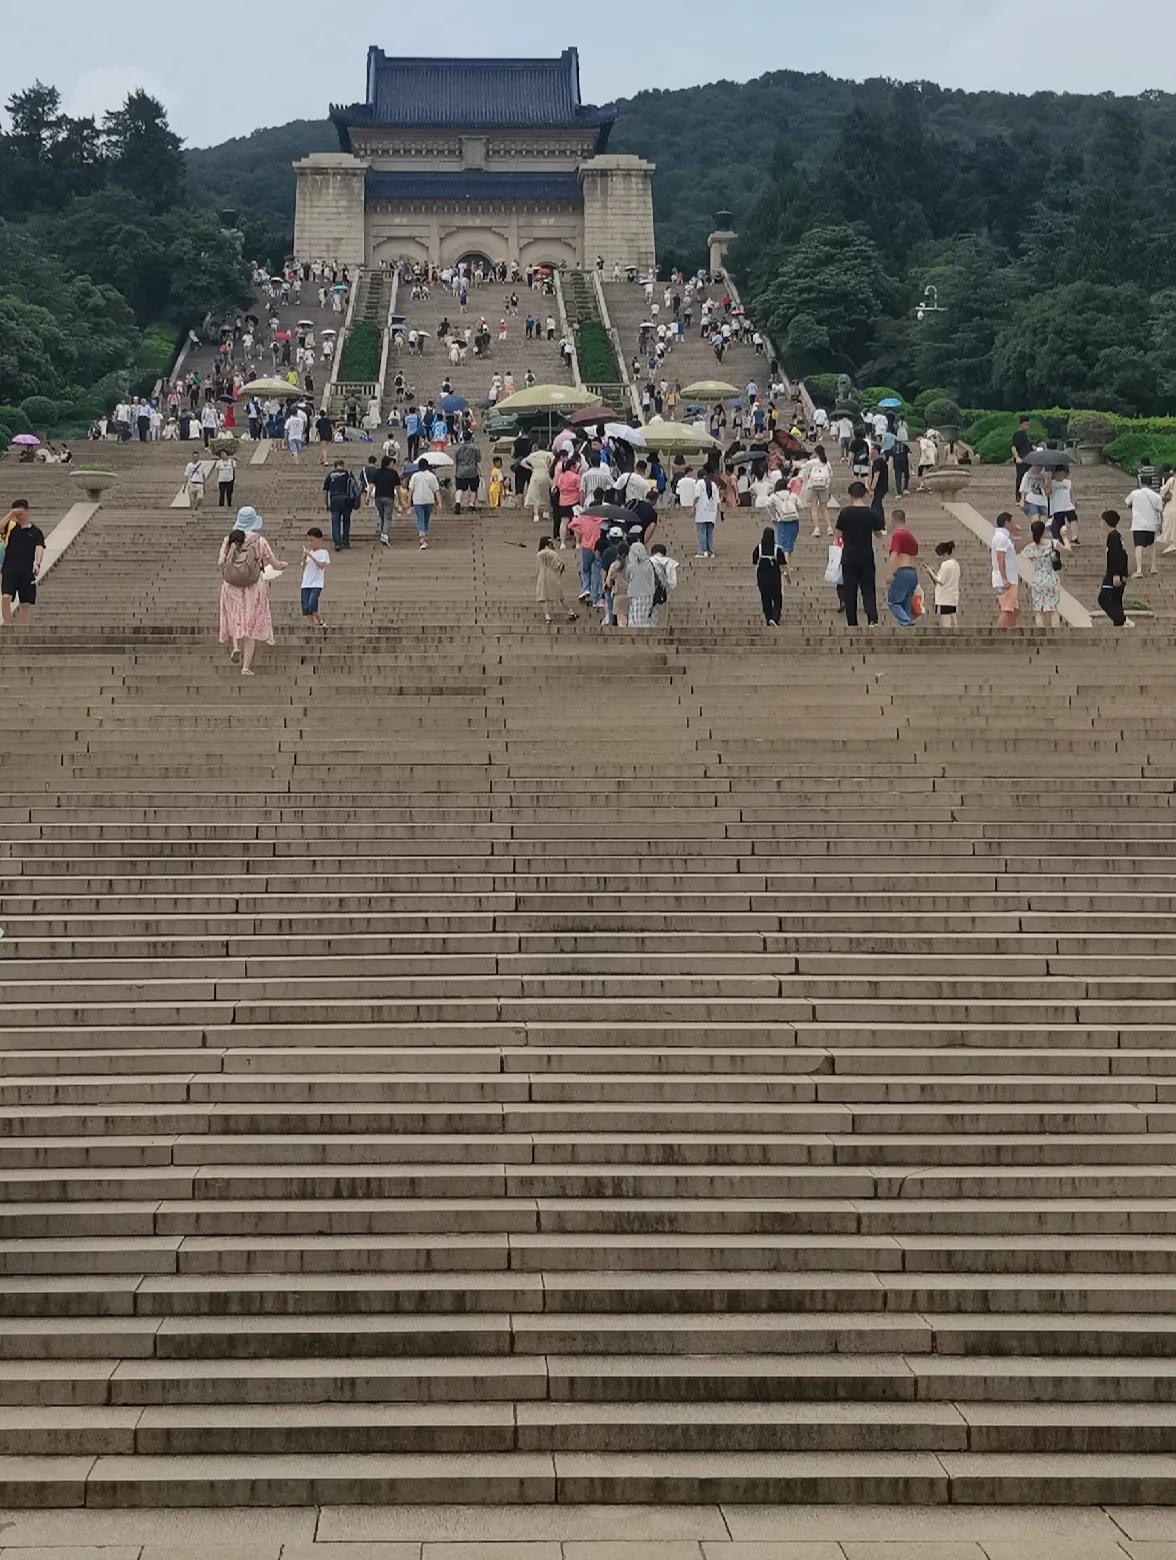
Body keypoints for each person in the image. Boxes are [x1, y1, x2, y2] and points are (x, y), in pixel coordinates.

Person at [217, 508, 286, 676]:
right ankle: (246, 667)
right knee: (251, 623)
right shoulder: (259, 541)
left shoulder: (229, 539)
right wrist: (283, 565)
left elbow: (220, 562)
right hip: (253, 586)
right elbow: (275, 564)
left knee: (235, 617)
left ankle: (235, 647)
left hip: (231, 585)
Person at [835, 481, 884, 627]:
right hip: (866, 556)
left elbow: (838, 535)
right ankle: (872, 619)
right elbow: (878, 534)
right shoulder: (872, 513)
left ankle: (852, 621)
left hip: (849, 556)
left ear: (850, 495)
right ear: (864, 494)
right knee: (868, 589)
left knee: (850, 591)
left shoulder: (845, 513)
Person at [1, 501, 44, 626]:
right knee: (5, 597)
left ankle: (23, 630)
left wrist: (37, 564)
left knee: (25, 603)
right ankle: (8, 625)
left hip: (26, 570)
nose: (18, 516)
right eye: (16, 513)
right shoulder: (10, 527)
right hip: (9, 569)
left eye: (19, 512)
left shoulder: (36, 532)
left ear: (26, 511)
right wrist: (10, 514)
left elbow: (39, 548)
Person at [1020, 518, 1063, 629]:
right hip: (1051, 577)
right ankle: (1056, 633)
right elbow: (1067, 550)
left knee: (1039, 610)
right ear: (1044, 531)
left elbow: (1022, 555)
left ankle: (1041, 632)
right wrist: (1065, 537)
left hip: (1038, 578)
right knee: (1053, 608)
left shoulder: (1031, 547)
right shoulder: (1052, 543)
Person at [1099, 509, 1134, 629]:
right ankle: (1119, 624)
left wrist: (1116, 574)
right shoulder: (1117, 536)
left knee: (1104, 599)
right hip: (1119, 573)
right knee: (1115, 602)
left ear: (1105, 522)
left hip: (1114, 574)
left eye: (1102, 520)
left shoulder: (1113, 536)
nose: (1101, 523)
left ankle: (1123, 620)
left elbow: (1117, 555)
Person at [885, 511, 919, 626]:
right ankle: (908, 625)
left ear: (893, 520)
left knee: (893, 601)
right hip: (912, 573)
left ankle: (906, 622)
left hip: (902, 571)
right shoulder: (911, 537)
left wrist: (890, 573)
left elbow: (894, 554)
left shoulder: (898, 535)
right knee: (906, 602)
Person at [752, 526, 790, 627]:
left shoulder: (758, 549)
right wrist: (788, 577)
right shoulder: (777, 549)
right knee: (777, 598)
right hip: (774, 578)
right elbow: (783, 566)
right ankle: (775, 617)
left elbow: (754, 563)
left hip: (762, 578)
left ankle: (768, 617)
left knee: (765, 598)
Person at [1125, 476, 1163, 576]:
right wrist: (1161, 524)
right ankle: (1153, 567)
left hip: (1138, 524)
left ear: (1141, 483)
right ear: (1150, 483)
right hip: (1151, 524)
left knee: (1138, 546)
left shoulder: (1135, 493)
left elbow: (1127, 503)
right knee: (1152, 546)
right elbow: (1160, 510)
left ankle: (1139, 570)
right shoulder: (1156, 496)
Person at [535, 535, 577, 624]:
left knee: (544, 598)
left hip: (542, 577)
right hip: (553, 577)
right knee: (561, 596)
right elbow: (558, 566)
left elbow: (538, 567)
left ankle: (547, 616)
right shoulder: (553, 553)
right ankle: (570, 612)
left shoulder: (539, 554)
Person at [991, 511, 1020, 628]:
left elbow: (1018, 550)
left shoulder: (1005, 538)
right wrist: (1004, 578)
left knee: (1014, 609)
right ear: (1006, 523)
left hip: (1010, 578)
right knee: (1007, 610)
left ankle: (1009, 631)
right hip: (1005, 579)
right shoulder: (1000, 538)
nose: (1013, 524)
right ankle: (999, 634)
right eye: (1011, 522)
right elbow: (1000, 558)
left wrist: (1017, 535)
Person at [323, 460, 360, 551]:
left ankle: (337, 542)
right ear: (343, 465)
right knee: (346, 521)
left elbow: (325, 491)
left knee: (335, 521)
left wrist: (325, 503)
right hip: (347, 500)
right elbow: (355, 488)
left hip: (334, 500)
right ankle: (345, 541)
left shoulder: (330, 475)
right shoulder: (348, 474)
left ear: (335, 466)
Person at [924, 540, 960, 631]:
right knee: (954, 621)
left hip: (944, 598)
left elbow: (940, 581)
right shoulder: (956, 564)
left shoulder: (946, 564)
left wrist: (930, 571)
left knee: (946, 623)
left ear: (944, 554)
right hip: (953, 597)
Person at [301, 527, 330, 627]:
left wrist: (311, 556)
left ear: (319, 540)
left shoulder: (324, 553)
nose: (310, 543)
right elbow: (303, 566)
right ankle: (311, 625)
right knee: (306, 608)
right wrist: (305, 557)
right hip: (305, 583)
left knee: (312, 604)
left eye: (312, 540)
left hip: (316, 583)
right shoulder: (309, 553)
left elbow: (321, 566)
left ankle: (320, 620)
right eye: (309, 540)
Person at [408, 459, 441, 549]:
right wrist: (439, 502)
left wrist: (408, 504)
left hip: (418, 501)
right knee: (426, 519)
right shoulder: (432, 476)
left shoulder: (415, 476)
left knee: (420, 518)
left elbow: (410, 490)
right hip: (429, 500)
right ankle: (424, 535)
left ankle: (422, 538)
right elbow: (436, 490)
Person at [765, 477, 800, 560]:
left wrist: (772, 516)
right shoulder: (792, 494)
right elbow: (800, 505)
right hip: (794, 521)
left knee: (784, 546)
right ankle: (787, 565)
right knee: (789, 545)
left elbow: (767, 505)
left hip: (783, 521)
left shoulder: (774, 496)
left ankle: (785, 568)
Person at [625, 540, 657, 628]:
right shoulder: (649, 565)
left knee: (635, 618)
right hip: (648, 594)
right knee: (646, 618)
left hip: (634, 594)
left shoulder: (630, 567)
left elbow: (627, 578)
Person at [803, 446, 833, 537]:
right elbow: (831, 475)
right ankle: (829, 528)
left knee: (814, 508)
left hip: (813, 486)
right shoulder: (827, 462)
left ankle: (817, 529)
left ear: (816, 453)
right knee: (824, 508)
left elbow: (803, 467)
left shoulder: (813, 462)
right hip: (824, 486)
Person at [371, 457, 401, 546]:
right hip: (389, 497)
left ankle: (383, 532)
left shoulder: (377, 472)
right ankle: (384, 534)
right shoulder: (393, 473)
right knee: (388, 516)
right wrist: (399, 499)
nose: (393, 465)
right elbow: (397, 488)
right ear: (389, 463)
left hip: (378, 497)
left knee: (382, 515)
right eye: (392, 463)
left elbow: (372, 485)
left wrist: (367, 497)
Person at [692, 470, 722, 558]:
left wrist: (693, 507)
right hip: (712, 513)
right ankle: (711, 551)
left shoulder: (699, 483)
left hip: (701, 512)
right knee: (709, 533)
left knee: (702, 532)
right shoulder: (713, 484)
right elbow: (718, 501)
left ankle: (702, 551)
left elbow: (697, 496)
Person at [1049, 466, 1078, 550]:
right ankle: (1060, 540)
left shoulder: (1068, 482)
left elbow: (1071, 493)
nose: (1061, 476)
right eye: (1059, 474)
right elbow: (1048, 492)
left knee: (1073, 519)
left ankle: (1074, 537)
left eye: (1063, 474)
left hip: (1068, 505)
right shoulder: (1052, 483)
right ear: (1055, 474)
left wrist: (1074, 501)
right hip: (1057, 507)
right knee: (1059, 524)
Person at [454, 437, 480, 514]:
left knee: (459, 488)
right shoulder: (475, 447)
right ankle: (471, 504)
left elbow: (456, 460)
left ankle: (458, 502)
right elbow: (478, 459)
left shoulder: (458, 447)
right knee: (473, 488)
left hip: (461, 471)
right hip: (472, 471)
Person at [1010, 417, 1034, 503]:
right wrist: (1017, 458)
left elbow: (1029, 446)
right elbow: (1013, 447)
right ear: (1020, 425)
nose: (1027, 427)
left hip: (1029, 460)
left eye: (1028, 425)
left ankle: (1028, 496)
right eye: (1025, 424)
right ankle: (1018, 497)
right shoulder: (1017, 435)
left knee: (1029, 478)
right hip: (1021, 460)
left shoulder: (1026, 435)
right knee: (1020, 478)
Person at [869, 443, 889, 528]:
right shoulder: (881, 460)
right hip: (883, 486)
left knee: (877, 505)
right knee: (875, 505)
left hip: (879, 487)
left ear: (876, 451)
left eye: (872, 450)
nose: (870, 452)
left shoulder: (877, 461)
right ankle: (875, 523)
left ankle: (881, 525)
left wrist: (872, 488)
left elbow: (876, 476)